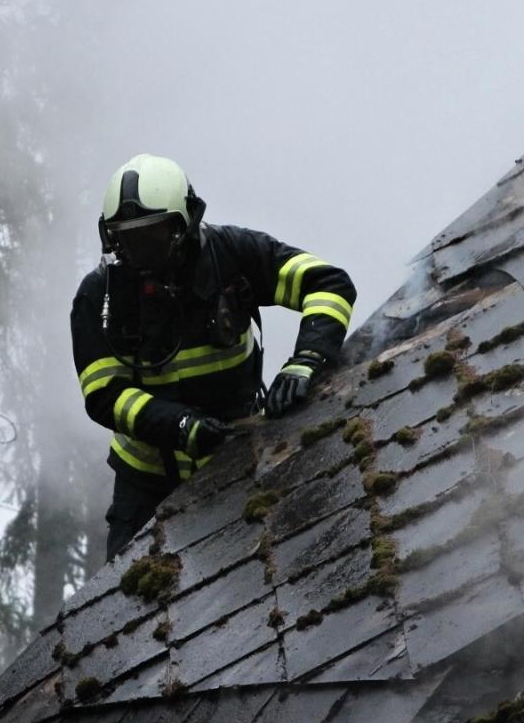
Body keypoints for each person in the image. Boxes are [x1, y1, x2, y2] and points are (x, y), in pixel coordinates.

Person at [71, 154, 357, 560]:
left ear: (185, 223)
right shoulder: (98, 295)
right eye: (128, 240)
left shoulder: (231, 255)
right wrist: (178, 424)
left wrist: (307, 360)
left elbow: (328, 284)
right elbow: (104, 394)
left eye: (153, 237)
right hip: (148, 483)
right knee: (130, 591)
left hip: (240, 452)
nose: (139, 254)